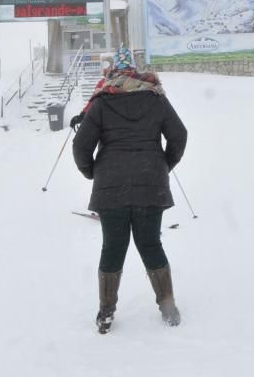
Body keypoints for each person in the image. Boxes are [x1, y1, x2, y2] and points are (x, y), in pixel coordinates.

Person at [72, 47, 188, 334]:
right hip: (151, 184)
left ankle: (106, 312)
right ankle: (168, 306)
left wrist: (92, 173)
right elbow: (179, 135)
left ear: (113, 72)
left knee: (112, 248)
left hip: (110, 187)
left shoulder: (101, 102)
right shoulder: (156, 99)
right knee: (151, 244)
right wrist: (163, 166)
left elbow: (81, 146)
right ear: (136, 71)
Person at [70, 54, 114, 129]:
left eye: (107, 65)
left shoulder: (121, 81)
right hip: (105, 122)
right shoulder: (101, 83)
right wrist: (82, 115)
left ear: (113, 66)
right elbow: (93, 101)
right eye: (103, 65)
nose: (104, 69)